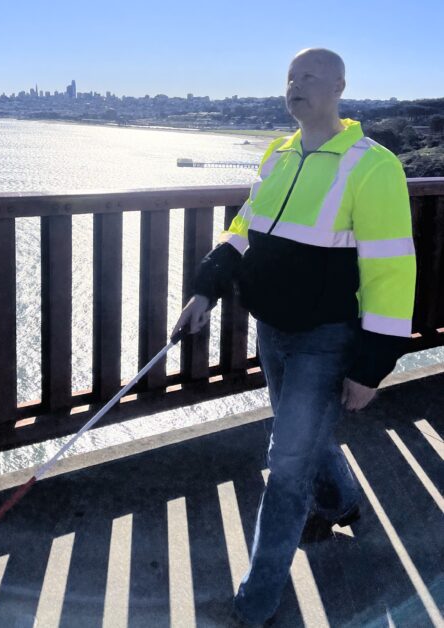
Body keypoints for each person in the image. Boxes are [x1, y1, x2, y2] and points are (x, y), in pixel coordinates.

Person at [172, 48, 416, 626]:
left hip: (324, 338)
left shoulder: (372, 165)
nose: (295, 85)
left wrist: (371, 365)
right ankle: (340, 501)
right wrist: (205, 289)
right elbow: (243, 230)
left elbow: (390, 269)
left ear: (339, 87)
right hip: (271, 328)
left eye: (309, 76)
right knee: (299, 436)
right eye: (290, 76)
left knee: (285, 465)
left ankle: (257, 599)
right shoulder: (278, 154)